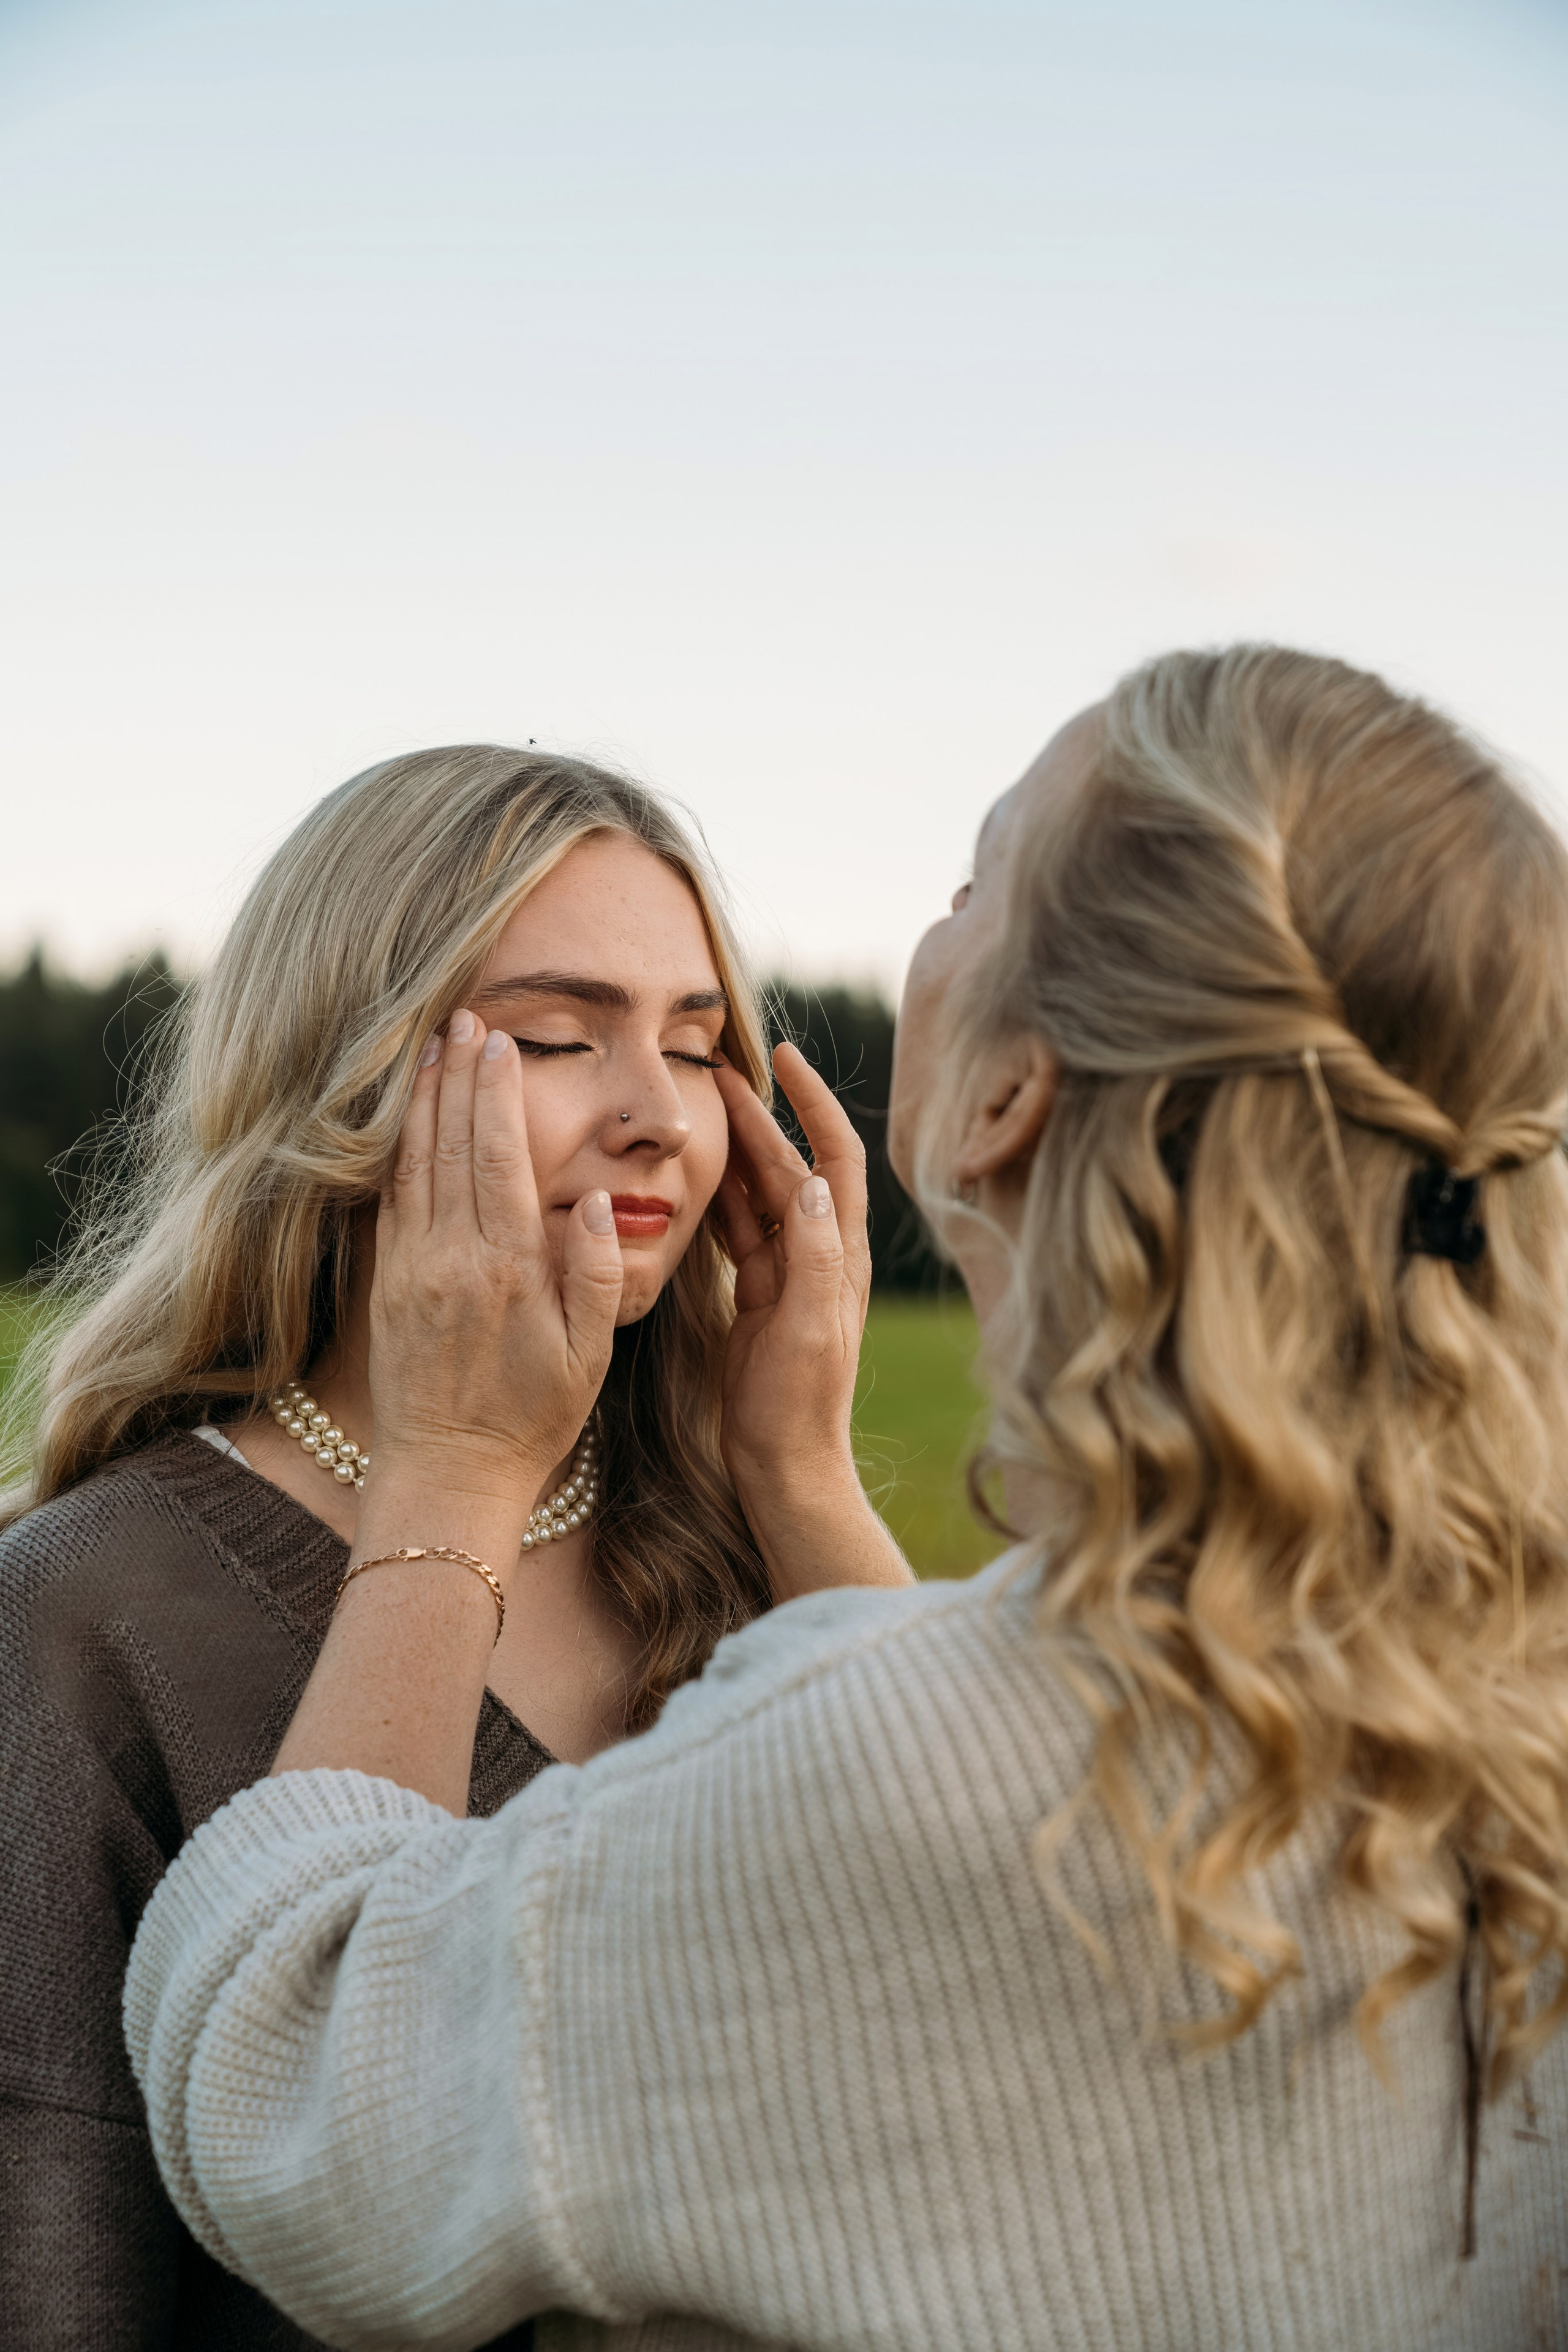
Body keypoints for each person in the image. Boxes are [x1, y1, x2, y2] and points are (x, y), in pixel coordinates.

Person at [127, 646, 1568, 2351]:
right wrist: (800, 1474)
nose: (663, 1107)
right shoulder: (1486, 1701)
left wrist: (445, 1474)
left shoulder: (872, 1779)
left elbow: (299, 2089)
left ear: (1013, 1095)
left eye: (977, 880)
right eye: (557, 1036)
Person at [0, 744, 910, 2351]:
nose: (661, 1118)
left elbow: (1018, 1987)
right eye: (561, 1038)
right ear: (341, 1073)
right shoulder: (85, 1615)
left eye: (702, 1050)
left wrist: (801, 1473)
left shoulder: (757, 1550)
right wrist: (461, 1475)